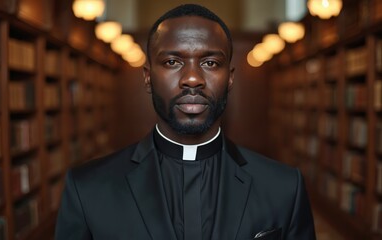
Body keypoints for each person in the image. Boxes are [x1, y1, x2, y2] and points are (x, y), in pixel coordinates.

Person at [55, 4, 316, 240]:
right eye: (172, 61)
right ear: (148, 77)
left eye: (210, 62)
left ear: (230, 79)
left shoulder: (284, 188)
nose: (192, 78)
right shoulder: (87, 190)